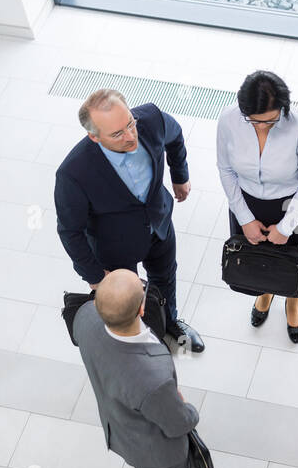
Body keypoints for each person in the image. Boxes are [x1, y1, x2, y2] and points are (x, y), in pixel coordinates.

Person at [73, 270, 216, 468]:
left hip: (119, 428)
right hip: (158, 452)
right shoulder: (152, 378)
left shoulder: (85, 317)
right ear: (142, 308)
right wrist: (190, 410)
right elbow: (177, 423)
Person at [54, 89, 204, 352]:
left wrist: (180, 175)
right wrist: (95, 277)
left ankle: (169, 323)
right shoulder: (73, 173)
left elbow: (176, 135)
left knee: (166, 277)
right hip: (114, 248)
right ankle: (138, 343)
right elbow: (70, 231)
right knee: (127, 304)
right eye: (117, 134)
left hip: (159, 223)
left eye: (130, 124)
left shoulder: (151, 119)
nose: (131, 136)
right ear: (94, 136)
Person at [216, 70, 298, 342]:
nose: (261, 127)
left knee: (297, 263)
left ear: (283, 107)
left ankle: (293, 302)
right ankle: (264, 292)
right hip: (247, 204)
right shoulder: (228, 120)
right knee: (257, 260)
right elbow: (225, 170)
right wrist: (245, 218)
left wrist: (285, 227)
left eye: (269, 121)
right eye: (253, 121)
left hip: (294, 206)